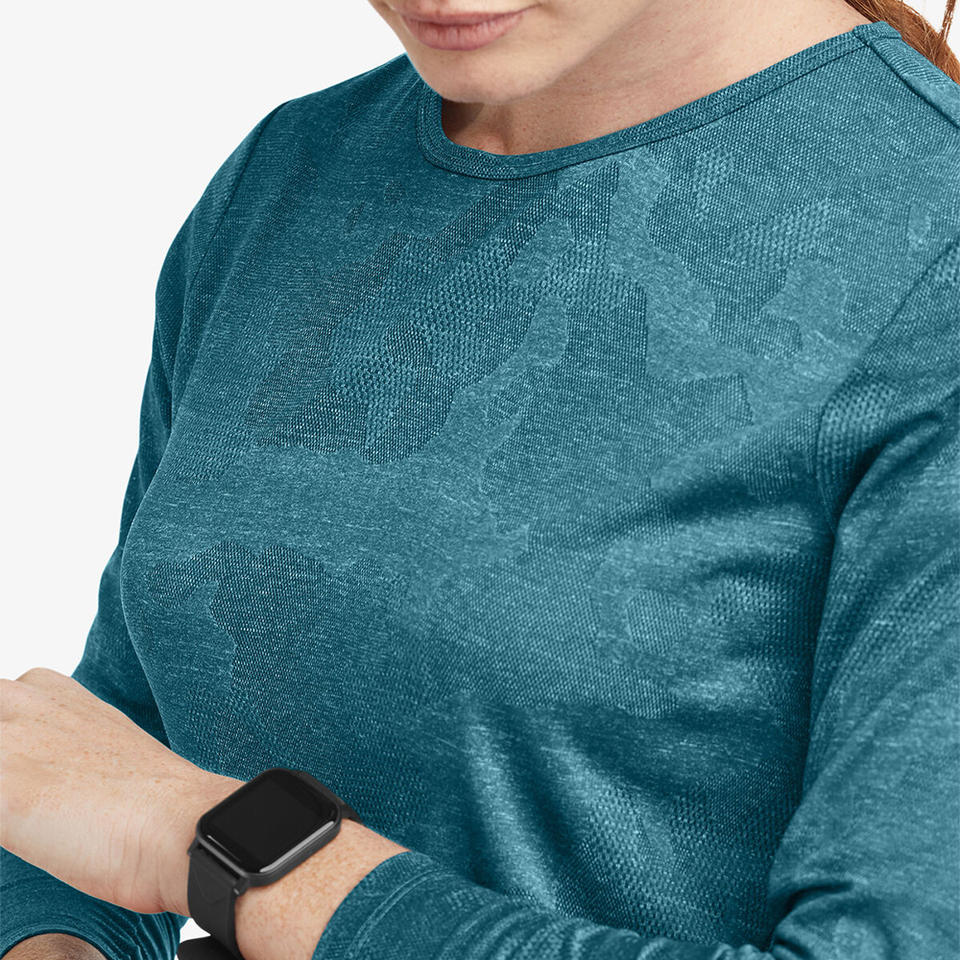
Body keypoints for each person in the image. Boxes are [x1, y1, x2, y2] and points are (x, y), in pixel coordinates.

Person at [1, 0, 958, 957]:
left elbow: (155, 811)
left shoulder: (934, 257)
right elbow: (116, 748)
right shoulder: (296, 169)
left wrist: (219, 845)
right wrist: (57, 937)